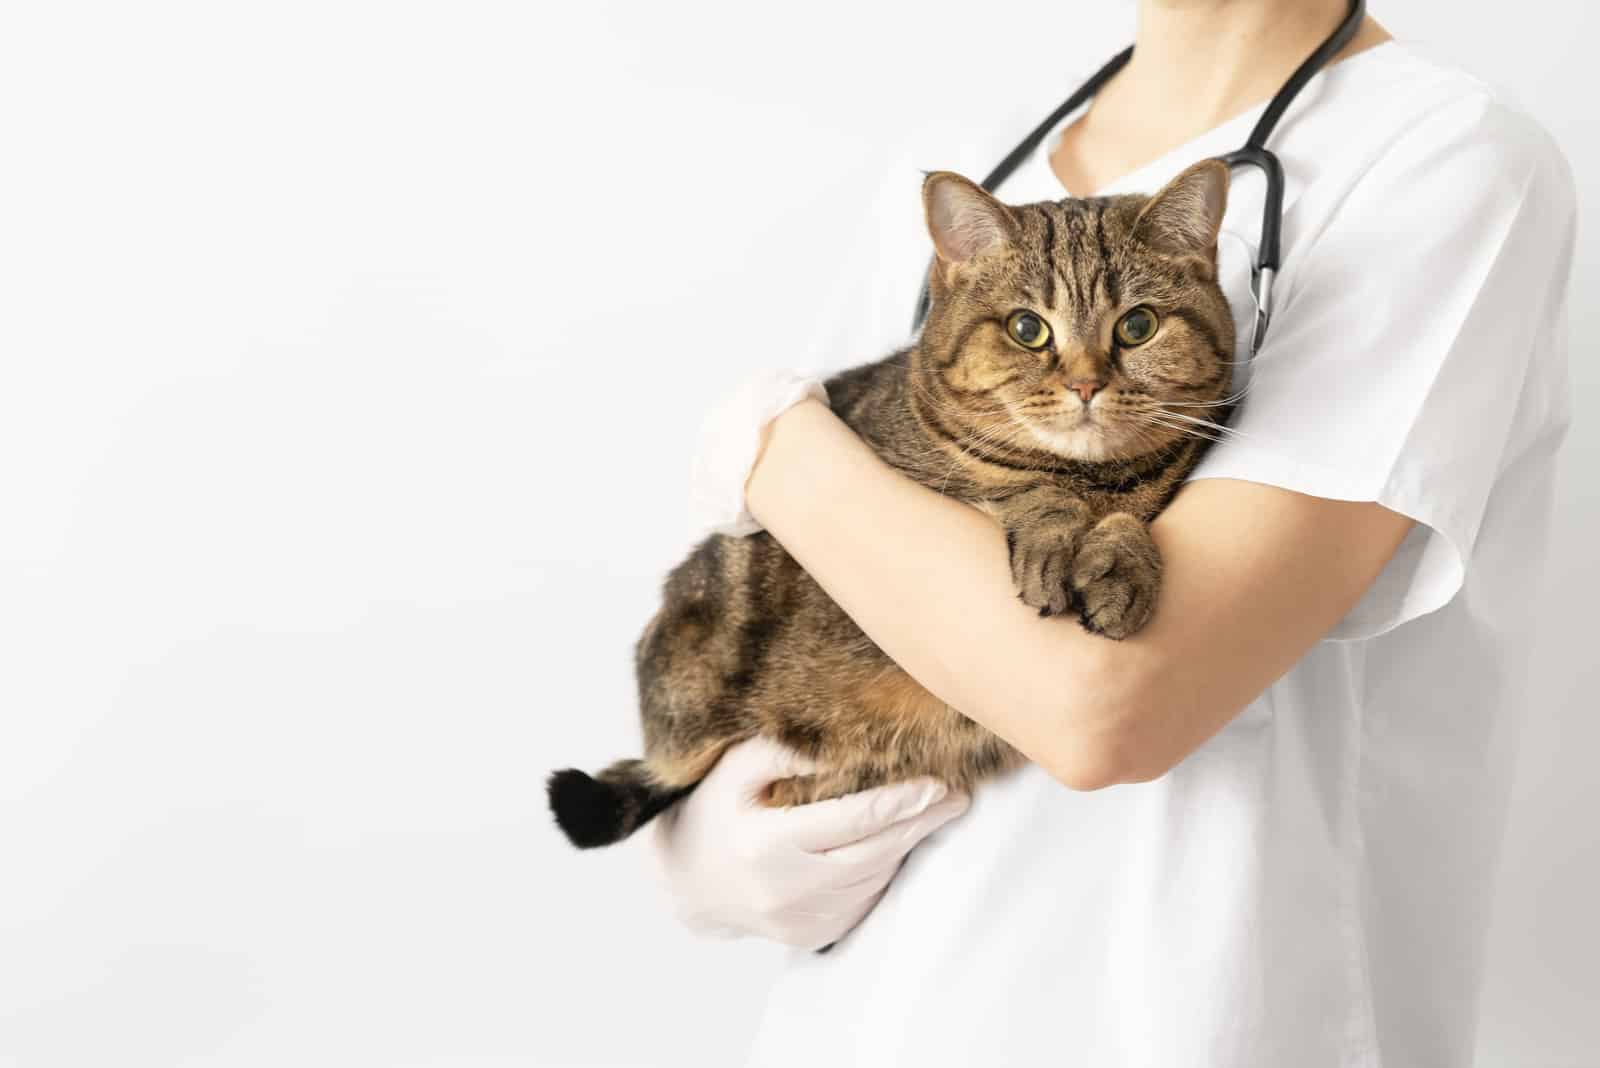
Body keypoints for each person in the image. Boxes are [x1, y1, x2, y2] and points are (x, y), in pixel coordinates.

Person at [650, 2, 1578, 1064]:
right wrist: (699, 839)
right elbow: (808, 597)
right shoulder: (961, 154)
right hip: (870, 1017)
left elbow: (1106, 710)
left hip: (1196, 1017)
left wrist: (775, 444)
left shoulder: (1441, 160)